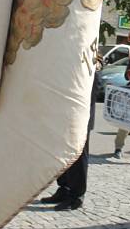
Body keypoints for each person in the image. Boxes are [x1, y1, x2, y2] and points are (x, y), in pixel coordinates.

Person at [40, 66, 102, 211]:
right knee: (60, 152)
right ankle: (64, 188)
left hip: (79, 113)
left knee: (78, 155)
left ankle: (76, 196)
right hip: (64, 111)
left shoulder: (89, 59)